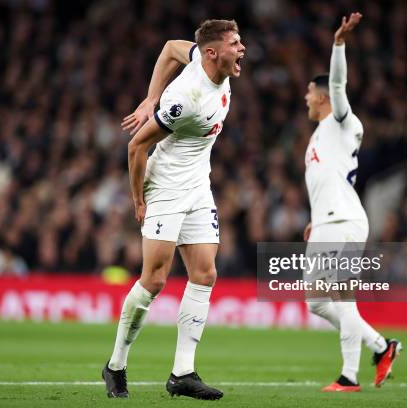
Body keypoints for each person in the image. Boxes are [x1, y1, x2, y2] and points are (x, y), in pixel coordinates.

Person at [102, 19, 245, 400]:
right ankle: (115, 364)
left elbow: (168, 47)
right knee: (155, 280)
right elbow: (136, 148)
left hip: (198, 184)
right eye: (235, 43)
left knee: (205, 273)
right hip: (164, 185)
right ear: (214, 53)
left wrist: (149, 97)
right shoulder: (187, 99)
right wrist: (139, 199)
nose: (242, 48)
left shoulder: (207, 58)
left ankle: (182, 372)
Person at [302, 13, 402, 392]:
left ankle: (349, 377)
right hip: (328, 220)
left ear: (323, 96)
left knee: (341, 294)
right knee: (315, 300)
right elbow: (326, 178)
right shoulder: (319, 136)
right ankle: (381, 346)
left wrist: (338, 44)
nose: (306, 99)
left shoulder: (343, 121)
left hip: (343, 220)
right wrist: (316, 219)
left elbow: (339, 82)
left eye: (310, 93)